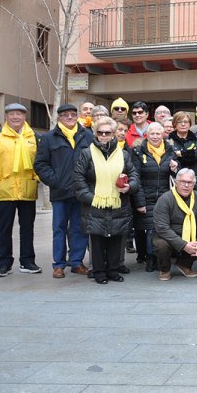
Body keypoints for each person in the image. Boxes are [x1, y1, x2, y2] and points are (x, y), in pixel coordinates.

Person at [74, 116, 139, 284]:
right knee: (97, 240)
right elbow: (78, 179)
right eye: (100, 132)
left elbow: (134, 175)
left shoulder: (123, 154)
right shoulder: (86, 153)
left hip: (118, 202)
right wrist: (91, 198)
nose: (104, 135)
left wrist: (129, 187)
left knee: (116, 239)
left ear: (113, 134)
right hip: (95, 203)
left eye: (107, 133)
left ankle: (113, 270)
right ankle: (99, 272)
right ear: (95, 134)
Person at [34, 104, 94, 278]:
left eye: (72, 114)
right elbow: (40, 164)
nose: (69, 117)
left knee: (79, 228)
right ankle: (58, 264)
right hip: (60, 193)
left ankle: (76, 262)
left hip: (81, 192)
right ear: (59, 117)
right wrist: (55, 181)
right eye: (65, 115)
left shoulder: (87, 136)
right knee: (59, 228)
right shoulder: (49, 138)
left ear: (77, 116)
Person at [0, 103, 41, 277]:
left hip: (27, 190)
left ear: (25, 117)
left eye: (19, 114)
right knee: (4, 229)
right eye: (12, 114)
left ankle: (28, 261)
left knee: (27, 228)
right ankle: (4, 263)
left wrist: (36, 178)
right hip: (4, 191)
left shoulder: (34, 138)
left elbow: (41, 162)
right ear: (6, 117)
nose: (16, 117)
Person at [131, 122, 178, 272]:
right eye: (152, 134)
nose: (156, 136)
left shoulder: (170, 150)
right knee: (151, 228)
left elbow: (178, 176)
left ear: (163, 134)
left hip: (165, 196)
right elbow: (135, 177)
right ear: (147, 135)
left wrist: (175, 169)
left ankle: (157, 257)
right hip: (146, 196)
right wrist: (139, 201)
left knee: (161, 228)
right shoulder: (139, 151)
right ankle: (150, 258)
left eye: (158, 133)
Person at [152, 169, 197, 281]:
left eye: (190, 183)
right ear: (176, 182)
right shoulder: (165, 199)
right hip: (170, 237)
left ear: (194, 184)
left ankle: (184, 264)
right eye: (182, 182)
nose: (186, 185)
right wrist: (183, 245)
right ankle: (164, 269)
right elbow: (162, 227)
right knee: (161, 244)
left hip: (192, 235)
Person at [168, 111, 197, 186]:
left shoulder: (196, 139)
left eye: (186, 122)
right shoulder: (168, 140)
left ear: (190, 124)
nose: (183, 124)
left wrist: (179, 154)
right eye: (179, 122)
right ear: (174, 124)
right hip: (176, 178)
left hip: (195, 177)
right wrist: (188, 153)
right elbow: (171, 158)